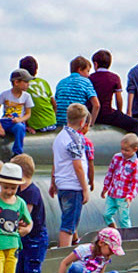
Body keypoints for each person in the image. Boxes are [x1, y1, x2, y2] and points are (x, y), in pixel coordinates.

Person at [9, 154, 50, 273]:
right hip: (23, 239)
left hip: (35, 238)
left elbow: (26, 216)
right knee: (18, 271)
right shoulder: (17, 190)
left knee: (32, 272)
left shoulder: (32, 191)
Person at [51, 103, 95, 248]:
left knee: (70, 219)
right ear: (82, 122)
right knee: (68, 225)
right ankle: (63, 253)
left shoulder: (60, 136)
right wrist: (85, 188)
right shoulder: (75, 139)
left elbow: (56, 161)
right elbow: (78, 166)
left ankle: (75, 243)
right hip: (73, 186)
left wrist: (53, 181)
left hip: (62, 183)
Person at [90, 49, 138, 137]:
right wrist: (120, 113)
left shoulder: (90, 78)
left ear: (95, 64)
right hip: (108, 114)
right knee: (137, 125)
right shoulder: (114, 78)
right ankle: (136, 150)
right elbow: (118, 99)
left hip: (93, 115)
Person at [0, 70, 33, 158]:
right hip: (4, 122)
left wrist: (20, 120)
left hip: (16, 122)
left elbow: (28, 114)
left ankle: (17, 152)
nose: (28, 84)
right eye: (26, 82)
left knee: (20, 128)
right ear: (16, 82)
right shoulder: (5, 94)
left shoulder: (26, 96)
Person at [100, 132, 138, 228]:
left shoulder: (135, 165)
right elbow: (110, 173)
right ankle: (113, 230)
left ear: (135, 150)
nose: (123, 152)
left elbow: (135, 183)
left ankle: (127, 237)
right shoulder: (117, 158)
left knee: (123, 219)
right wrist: (105, 187)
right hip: (112, 193)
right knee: (106, 214)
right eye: (122, 149)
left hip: (123, 196)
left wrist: (130, 196)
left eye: (126, 150)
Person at [53, 55, 99, 127]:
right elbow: (96, 105)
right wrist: (91, 124)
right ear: (80, 69)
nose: (89, 75)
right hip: (76, 123)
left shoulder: (61, 82)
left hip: (59, 122)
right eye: (87, 71)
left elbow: (55, 104)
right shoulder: (86, 82)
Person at [20, 56, 57, 134]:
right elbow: (54, 104)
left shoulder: (23, 86)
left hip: (35, 127)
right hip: (52, 124)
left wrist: (26, 125)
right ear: (36, 69)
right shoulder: (44, 82)